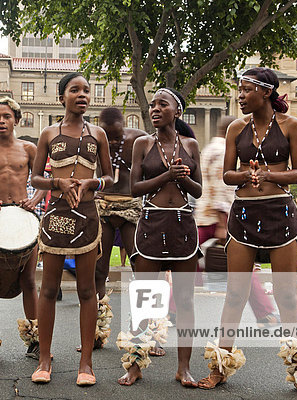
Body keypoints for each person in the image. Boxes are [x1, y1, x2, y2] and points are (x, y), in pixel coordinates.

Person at [198, 68, 297, 400]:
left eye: (245, 90)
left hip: (280, 215)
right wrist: (245, 175)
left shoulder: (292, 126)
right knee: (234, 296)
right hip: (243, 216)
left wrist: (270, 174)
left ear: (265, 92)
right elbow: (228, 174)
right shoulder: (235, 128)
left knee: (287, 298)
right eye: (239, 90)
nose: (240, 96)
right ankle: (219, 367)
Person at [30, 72, 113, 386]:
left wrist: (93, 182)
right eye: (74, 90)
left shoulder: (99, 135)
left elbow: (112, 177)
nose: (82, 95)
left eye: (87, 91)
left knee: (87, 290)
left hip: (88, 216)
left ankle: (86, 364)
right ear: (61, 96)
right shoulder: (48, 133)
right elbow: (36, 178)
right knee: (48, 290)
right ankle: (44, 359)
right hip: (56, 216)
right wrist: (58, 183)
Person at [118, 88, 202, 388]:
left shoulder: (191, 145)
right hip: (151, 223)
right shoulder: (142, 144)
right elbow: (135, 188)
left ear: (176, 112)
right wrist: (167, 176)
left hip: (182, 226)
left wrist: (184, 177)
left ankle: (183, 368)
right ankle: (135, 366)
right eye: (152, 104)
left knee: (185, 300)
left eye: (162, 104)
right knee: (146, 299)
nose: (154, 109)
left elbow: (198, 190)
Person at [0, 96, 46, 361]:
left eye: (6, 117)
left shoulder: (29, 149)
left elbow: (42, 182)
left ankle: (36, 342)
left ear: (16, 119)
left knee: (28, 282)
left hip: (24, 223)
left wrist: (34, 201)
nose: (1, 121)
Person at [195, 115, 280, 327]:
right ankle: (265, 313)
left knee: (189, 262)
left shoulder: (208, 149)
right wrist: (223, 223)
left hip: (204, 215)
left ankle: (172, 309)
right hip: (221, 218)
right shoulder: (224, 150)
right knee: (243, 266)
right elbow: (222, 188)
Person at [89, 107, 145, 350]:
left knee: (141, 268)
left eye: (116, 136)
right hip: (103, 206)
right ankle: (97, 332)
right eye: (107, 135)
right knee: (99, 270)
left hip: (131, 206)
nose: (111, 141)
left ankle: (148, 333)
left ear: (124, 126)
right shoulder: (93, 139)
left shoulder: (139, 139)